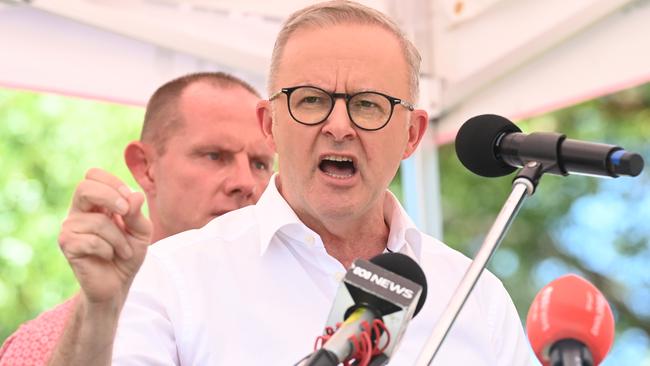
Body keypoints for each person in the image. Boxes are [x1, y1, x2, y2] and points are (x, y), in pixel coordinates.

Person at [53, 1, 536, 365]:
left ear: (411, 135)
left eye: (368, 104)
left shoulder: (476, 297)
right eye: (310, 101)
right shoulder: (172, 276)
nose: (339, 126)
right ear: (269, 125)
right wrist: (99, 309)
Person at [0, 71, 274, 365]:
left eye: (260, 164)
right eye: (214, 156)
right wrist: (100, 309)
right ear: (145, 167)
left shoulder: (303, 316)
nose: (246, 182)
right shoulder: (44, 341)